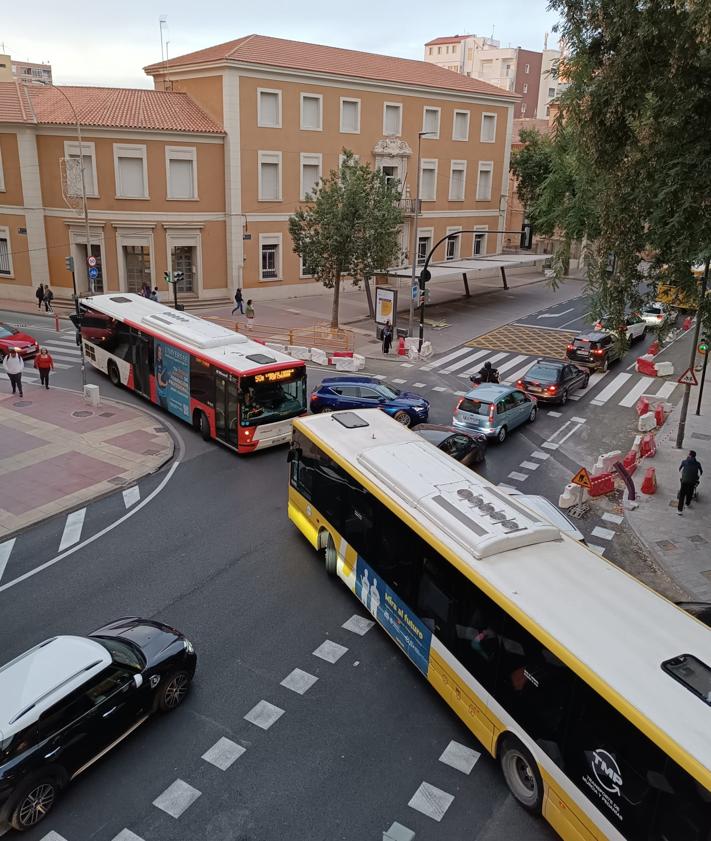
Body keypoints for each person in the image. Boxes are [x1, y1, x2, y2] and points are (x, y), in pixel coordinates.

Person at [678, 450, 703, 515]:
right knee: (690, 492)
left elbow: (679, 469)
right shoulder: (698, 463)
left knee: (682, 495)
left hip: (684, 481)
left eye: (688, 454)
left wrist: (683, 475)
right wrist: (697, 477)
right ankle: (687, 504)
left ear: (690, 455)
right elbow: (701, 472)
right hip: (692, 482)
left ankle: (679, 510)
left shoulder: (684, 461)